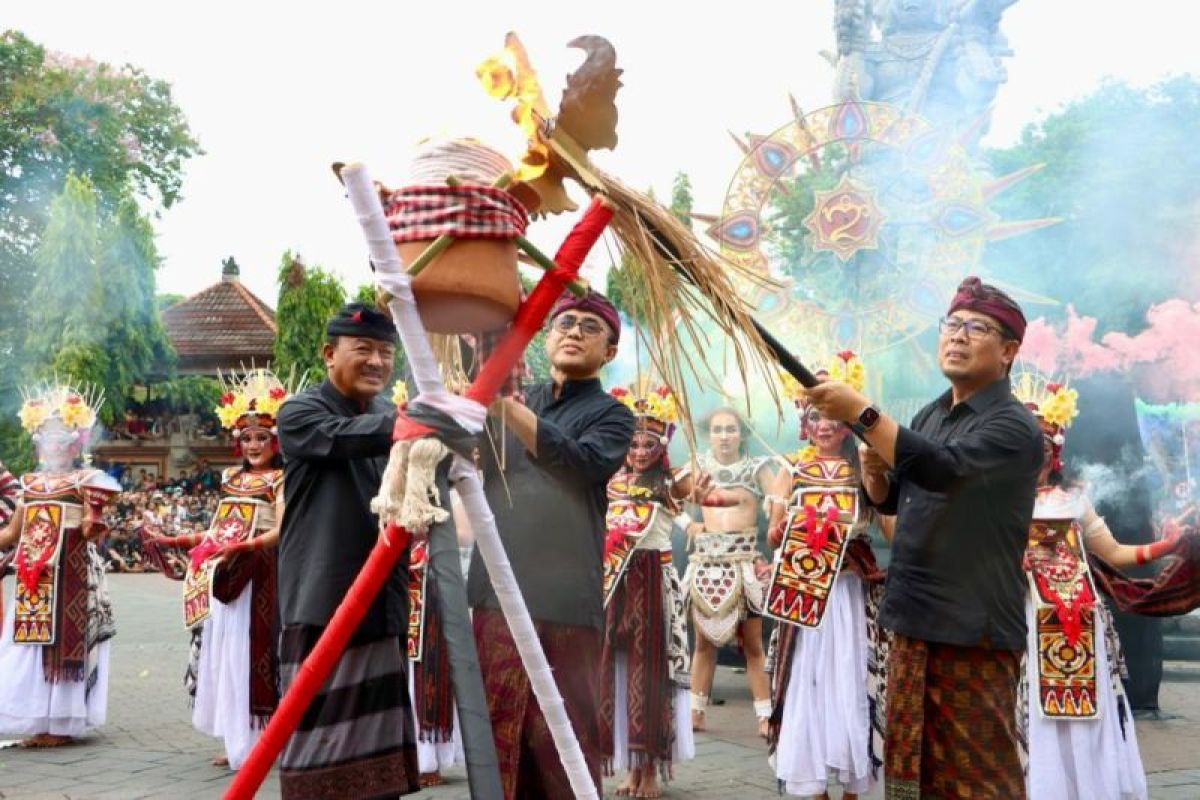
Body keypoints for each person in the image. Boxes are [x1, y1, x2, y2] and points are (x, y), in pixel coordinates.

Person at [806, 276, 1043, 798]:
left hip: (972, 626)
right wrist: (873, 475)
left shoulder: (1013, 426)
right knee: (913, 770)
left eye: (976, 328)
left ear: (1008, 352)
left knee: (979, 775)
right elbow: (899, 499)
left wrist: (861, 414)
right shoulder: (931, 414)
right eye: (952, 325)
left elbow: (942, 470)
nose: (958, 336)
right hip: (913, 616)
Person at [467, 290, 635, 800]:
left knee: (563, 743)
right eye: (564, 322)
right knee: (495, 737)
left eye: (589, 326)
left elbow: (579, 463)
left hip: (565, 600)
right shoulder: (519, 395)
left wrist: (507, 410)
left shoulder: (613, 416)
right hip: (497, 589)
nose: (573, 332)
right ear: (547, 335)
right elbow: (473, 457)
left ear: (609, 350)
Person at [275, 303, 420, 798]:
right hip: (321, 602)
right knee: (318, 742)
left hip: (382, 602)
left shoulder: (388, 416)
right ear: (329, 353)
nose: (377, 361)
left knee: (380, 760)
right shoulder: (300, 412)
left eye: (385, 351)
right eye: (363, 350)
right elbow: (339, 438)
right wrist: (405, 428)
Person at [1013, 371, 1178, 800]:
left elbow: (1116, 552)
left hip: (1082, 623)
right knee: (1036, 713)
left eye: (1044, 448)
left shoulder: (1073, 500)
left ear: (1056, 454)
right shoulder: (998, 501)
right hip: (1026, 622)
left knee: (1089, 712)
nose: (1036, 456)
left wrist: (1165, 544)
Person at [144, 369, 292, 769]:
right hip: (225, 575)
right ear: (237, 441)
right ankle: (234, 737)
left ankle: (263, 739)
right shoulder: (229, 478)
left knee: (256, 653)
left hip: (261, 574)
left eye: (262, 437)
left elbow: (283, 528)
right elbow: (216, 528)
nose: (254, 444)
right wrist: (177, 540)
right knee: (225, 653)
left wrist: (245, 546)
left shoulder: (282, 478)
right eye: (247, 437)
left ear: (275, 440)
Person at [764, 354, 885, 799]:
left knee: (851, 674)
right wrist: (780, 528)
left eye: (833, 415)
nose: (824, 424)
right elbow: (775, 536)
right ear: (805, 421)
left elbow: (883, 513)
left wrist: (874, 469)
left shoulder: (862, 465)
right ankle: (812, 782)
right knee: (808, 679)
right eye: (816, 416)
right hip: (804, 591)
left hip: (850, 590)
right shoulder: (790, 469)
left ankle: (854, 785)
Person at [0, 383, 120, 747]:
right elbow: (12, 534)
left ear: (75, 443)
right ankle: (41, 721)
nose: (54, 445)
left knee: (66, 650)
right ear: (39, 443)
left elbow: (93, 527)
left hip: (72, 575)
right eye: (47, 438)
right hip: (33, 579)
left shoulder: (88, 481)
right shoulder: (30, 484)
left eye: (61, 438)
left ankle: (62, 725)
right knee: (30, 648)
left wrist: (94, 522)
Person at [600, 383, 701, 798]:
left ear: (663, 447)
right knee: (619, 673)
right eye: (633, 442)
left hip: (655, 585)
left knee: (654, 675)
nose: (640, 451)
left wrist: (697, 484)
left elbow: (690, 487)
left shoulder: (670, 480)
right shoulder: (609, 479)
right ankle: (630, 765)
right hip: (615, 583)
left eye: (649, 444)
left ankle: (653, 770)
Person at [681, 407, 777, 735]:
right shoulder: (698, 468)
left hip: (743, 563)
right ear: (710, 434)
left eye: (730, 429)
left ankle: (765, 717)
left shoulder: (758, 469)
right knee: (704, 644)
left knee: (752, 643)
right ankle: (695, 713)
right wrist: (689, 525)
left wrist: (773, 516)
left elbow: (780, 499)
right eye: (718, 429)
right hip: (705, 565)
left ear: (742, 434)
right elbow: (666, 499)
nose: (724, 436)